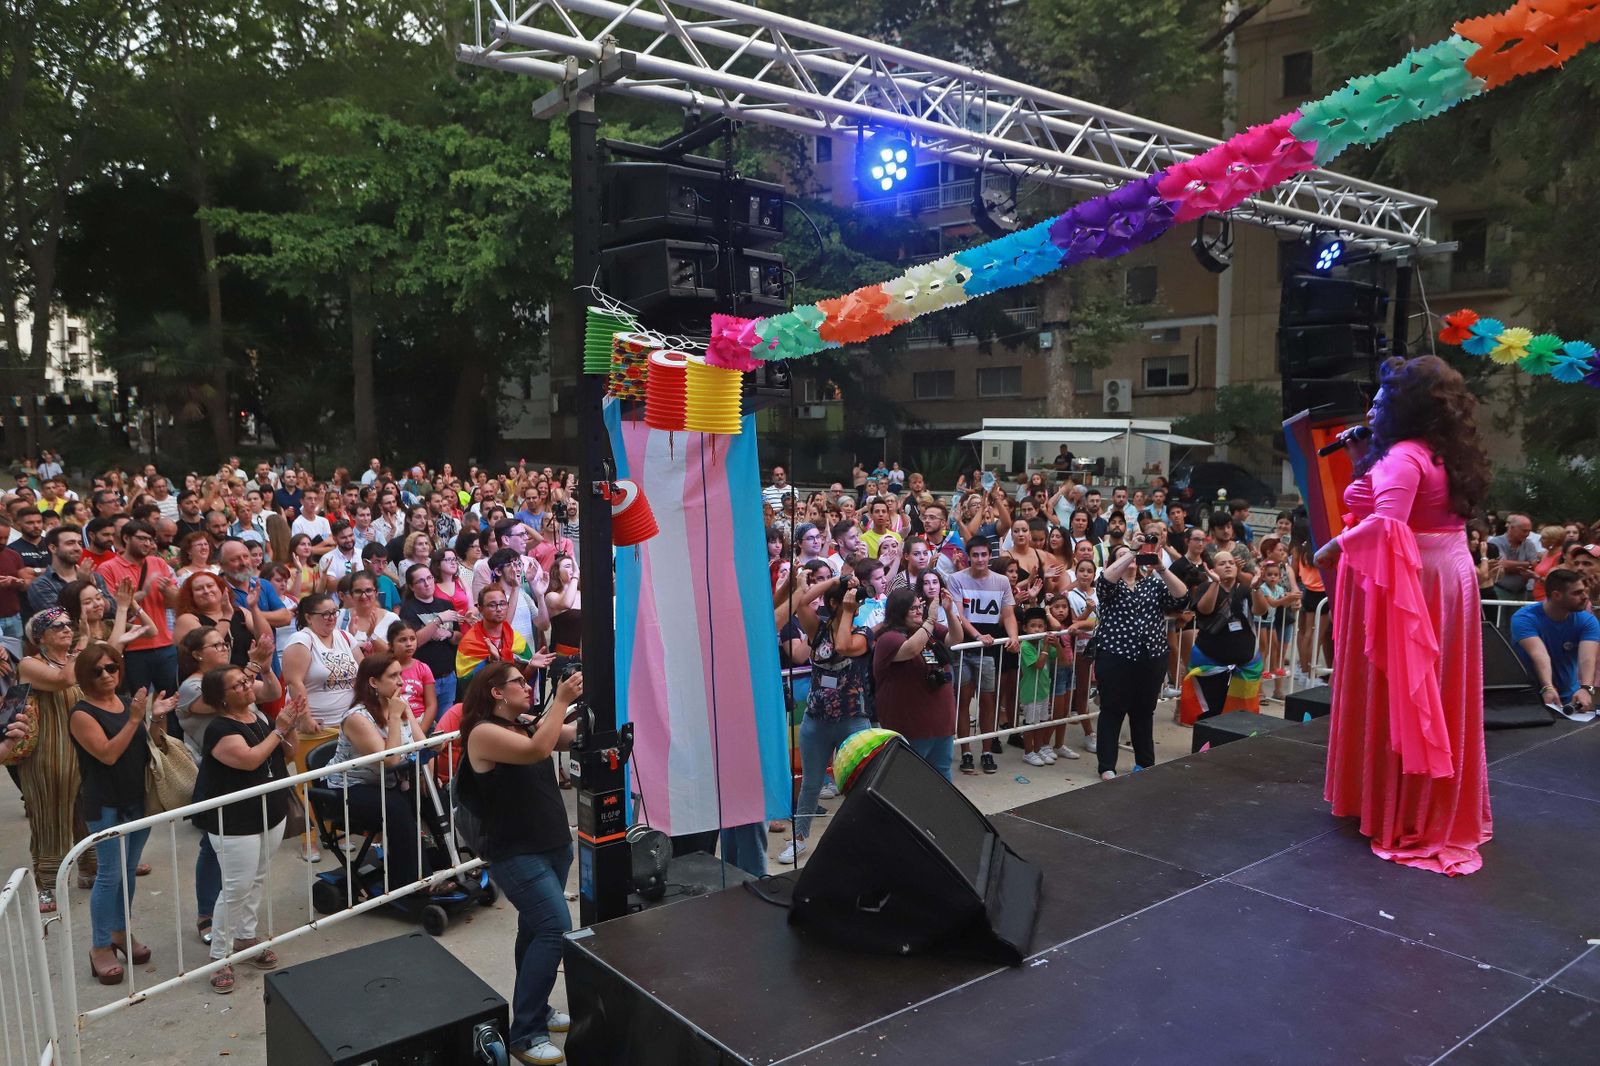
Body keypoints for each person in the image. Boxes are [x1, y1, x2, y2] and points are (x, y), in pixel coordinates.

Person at [1315, 355, 1492, 876]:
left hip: (1411, 582)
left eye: (1381, 400)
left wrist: (1331, 548)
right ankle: (1426, 803)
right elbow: (1390, 506)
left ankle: (1404, 810)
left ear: (1406, 407)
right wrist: (1362, 459)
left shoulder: (1403, 456)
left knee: (1402, 694)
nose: (1371, 408)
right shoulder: (1441, 452)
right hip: (1445, 573)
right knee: (1435, 690)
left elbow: (1386, 526)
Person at [457, 661, 582, 1066]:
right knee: (554, 929)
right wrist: (560, 699)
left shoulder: (524, 724)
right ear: (496, 692)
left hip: (551, 845)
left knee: (534, 931)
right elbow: (538, 750)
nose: (527, 687)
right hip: (516, 853)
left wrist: (593, 700)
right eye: (518, 682)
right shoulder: (483, 733)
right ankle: (526, 1032)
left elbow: (568, 737)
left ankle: (537, 1008)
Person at [191, 670, 310, 993]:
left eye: (246, 681)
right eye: (239, 685)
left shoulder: (259, 717)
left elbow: (287, 753)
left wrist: (290, 726)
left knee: (257, 877)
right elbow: (250, 760)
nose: (247, 686)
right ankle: (219, 957)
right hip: (234, 819)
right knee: (235, 886)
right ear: (222, 698)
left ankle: (245, 937)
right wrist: (279, 729)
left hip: (269, 811)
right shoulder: (219, 728)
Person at [69, 643, 177, 984]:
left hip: (136, 799)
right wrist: (134, 718)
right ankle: (100, 945)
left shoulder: (126, 701)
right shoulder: (82, 714)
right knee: (109, 874)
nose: (106, 675)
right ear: (84, 676)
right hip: (105, 803)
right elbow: (107, 754)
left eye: (111, 667)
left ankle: (120, 931)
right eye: (97, 670)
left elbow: (145, 744)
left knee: (128, 872)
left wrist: (155, 717)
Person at [324, 655, 452, 900]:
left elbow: (419, 743)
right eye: (393, 676)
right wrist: (394, 717)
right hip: (349, 787)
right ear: (373, 682)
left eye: (400, 674)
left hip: (388, 782)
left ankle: (452, 864)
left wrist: (434, 747)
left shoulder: (400, 705)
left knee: (433, 795)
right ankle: (416, 883)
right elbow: (390, 760)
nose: (401, 682)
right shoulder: (356, 718)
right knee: (396, 807)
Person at [784, 573, 873, 864]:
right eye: (849, 600)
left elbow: (844, 646)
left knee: (858, 783)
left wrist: (846, 610)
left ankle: (860, 839)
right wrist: (836, 579)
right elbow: (801, 603)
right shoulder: (817, 630)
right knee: (811, 783)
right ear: (833, 602)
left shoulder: (863, 633)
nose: (856, 605)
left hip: (852, 719)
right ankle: (799, 838)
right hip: (817, 720)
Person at [15, 609, 96, 913]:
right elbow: (65, 679)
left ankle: (90, 868)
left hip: (81, 749)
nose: (65, 629)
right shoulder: (30, 664)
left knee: (85, 811)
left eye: (68, 624)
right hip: (48, 753)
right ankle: (47, 884)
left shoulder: (72, 658)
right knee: (51, 817)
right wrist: (83, 642)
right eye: (56, 625)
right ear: (40, 637)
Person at [1093, 543, 1189, 779]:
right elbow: (1104, 582)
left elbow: (1182, 598)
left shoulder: (1153, 584)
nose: (1131, 559)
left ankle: (1144, 762)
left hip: (1151, 658)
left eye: (1134, 556)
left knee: (1144, 712)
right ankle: (1107, 766)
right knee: (1112, 711)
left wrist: (1161, 568)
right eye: (1123, 556)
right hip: (1116, 656)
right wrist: (1132, 552)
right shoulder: (1110, 586)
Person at [282, 593, 362, 861]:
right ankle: (309, 839)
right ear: (308, 617)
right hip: (315, 725)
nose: (331, 618)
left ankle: (335, 831)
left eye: (334, 612)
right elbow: (294, 681)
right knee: (309, 783)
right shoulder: (301, 641)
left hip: (346, 724)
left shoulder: (345, 637)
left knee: (340, 780)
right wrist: (304, 717)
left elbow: (363, 671)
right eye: (324, 614)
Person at [871, 586, 961, 780]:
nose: (919, 611)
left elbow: (955, 638)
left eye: (920, 606)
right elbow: (911, 649)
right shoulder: (888, 638)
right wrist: (930, 619)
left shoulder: (929, 630)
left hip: (941, 722)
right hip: (910, 726)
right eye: (913, 608)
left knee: (943, 772)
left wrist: (949, 611)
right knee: (910, 779)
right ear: (899, 611)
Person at [948, 538, 1019, 775]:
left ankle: (987, 751)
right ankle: (966, 751)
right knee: (963, 701)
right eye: (975, 555)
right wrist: (977, 635)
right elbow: (958, 616)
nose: (980, 559)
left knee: (988, 701)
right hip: (963, 649)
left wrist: (1013, 637)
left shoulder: (1001, 581)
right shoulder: (956, 579)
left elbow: (1008, 614)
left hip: (989, 652)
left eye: (984, 555)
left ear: (990, 556)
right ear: (968, 556)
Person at [92, 520, 181, 696]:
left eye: (150, 539)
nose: (148, 543)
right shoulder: (108, 568)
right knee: (136, 700)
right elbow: (111, 609)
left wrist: (169, 592)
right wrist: (143, 593)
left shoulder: (159, 563)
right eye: (142, 538)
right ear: (126, 538)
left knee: (171, 699)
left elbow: (174, 603)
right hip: (131, 649)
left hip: (164, 644)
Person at [1187, 553, 1268, 722]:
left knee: (1239, 717)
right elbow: (1205, 609)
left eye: (1231, 562)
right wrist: (1215, 583)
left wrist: (1256, 589)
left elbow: (1260, 611)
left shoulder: (1245, 589)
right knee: (1211, 713)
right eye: (1222, 563)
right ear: (1213, 569)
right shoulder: (1205, 587)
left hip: (1244, 664)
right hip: (1211, 662)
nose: (1228, 566)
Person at [1510, 569, 1597, 713]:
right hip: (1527, 698)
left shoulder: (1587, 621)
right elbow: (1539, 654)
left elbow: (1587, 658)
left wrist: (1586, 688)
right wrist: (1548, 687)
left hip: (1569, 699)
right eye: (1577, 593)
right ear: (1556, 595)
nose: (1585, 596)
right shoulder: (1524, 618)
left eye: (1584, 591)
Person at [400, 564, 464, 710]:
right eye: (421, 581)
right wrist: (438, 620)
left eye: (429, 578)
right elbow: (414, 641)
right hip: (422, 678)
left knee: (445, 720)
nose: (427, 583)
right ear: (412, 586)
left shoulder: (446, 604)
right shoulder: (408, 609)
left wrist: (449, 634)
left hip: (448, 675)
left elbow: (459, 637)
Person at [1016, 606, 1063, 766]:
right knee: (1030, 724)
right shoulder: (1025, 646)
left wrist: (1056, 644)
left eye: (1041, 626)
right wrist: (1046, 647)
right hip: (1030, 692)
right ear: (1025, 628)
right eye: (1033, 626)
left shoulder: (1044, 643)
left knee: (1041, 722)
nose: (1037, 629)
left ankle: (1038, 749)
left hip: (1043, 690)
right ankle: (1028, 753)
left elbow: (1063, 660)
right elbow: (1038, 665)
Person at [336, 571, 400, 656]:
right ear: (351, 594)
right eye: (358, 591)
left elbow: (397, 654)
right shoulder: (338, 616)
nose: (363, 596)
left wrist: (372, 636)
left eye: (368, 590)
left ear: (376, 592)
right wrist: (350, 636)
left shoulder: (392, 619)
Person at [1488, 513, 1542, 601]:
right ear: (1512, 528)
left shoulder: (1529, 544)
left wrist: (1511, 566)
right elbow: (1502, 565)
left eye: (1529, 531)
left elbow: (1534, 566)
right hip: (1500, 590)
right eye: (1524, 531)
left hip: (1521, 592)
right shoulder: (1495, 542)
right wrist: (1527, 565)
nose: (1527, 534)